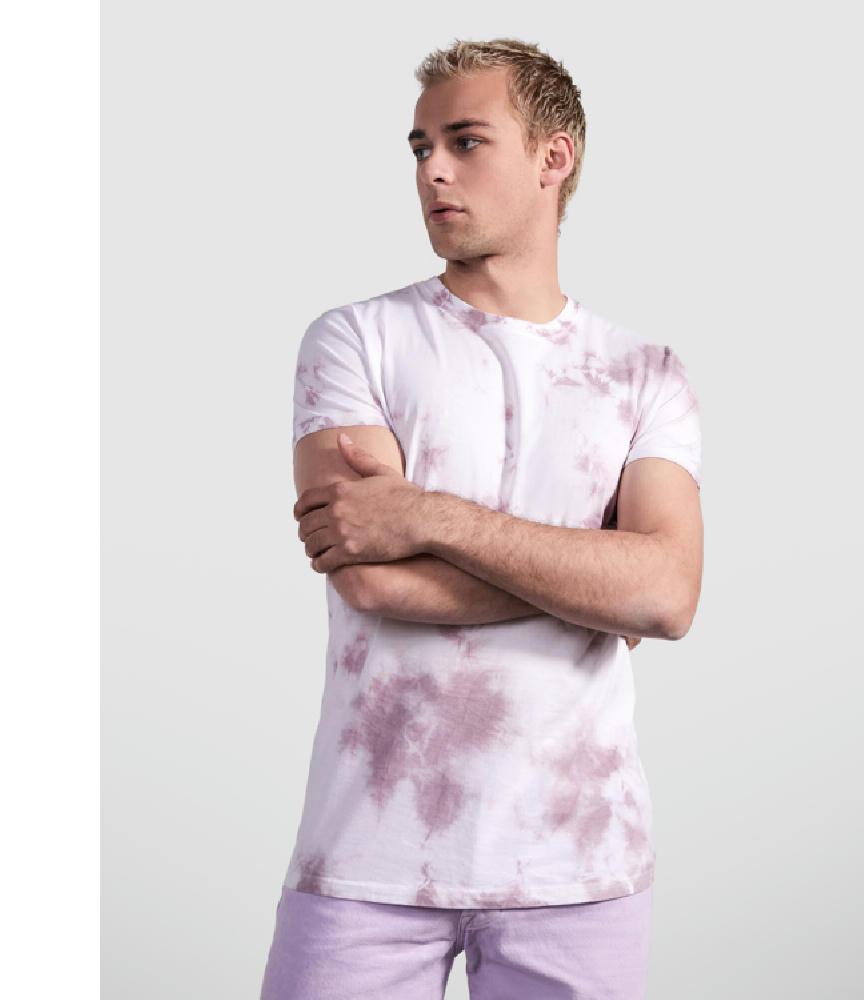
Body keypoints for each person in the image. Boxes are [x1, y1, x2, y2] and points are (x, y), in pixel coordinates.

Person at [260, 36, 703, 1000]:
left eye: (465, 141)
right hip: (366, 857)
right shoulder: (356, 340)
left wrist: (425, 514)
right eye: (420, 147)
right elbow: (370, 576)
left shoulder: (645, 374)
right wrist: (599, 583)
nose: (432, 170)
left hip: (578, 864)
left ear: (554, 156)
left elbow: (668, 597)